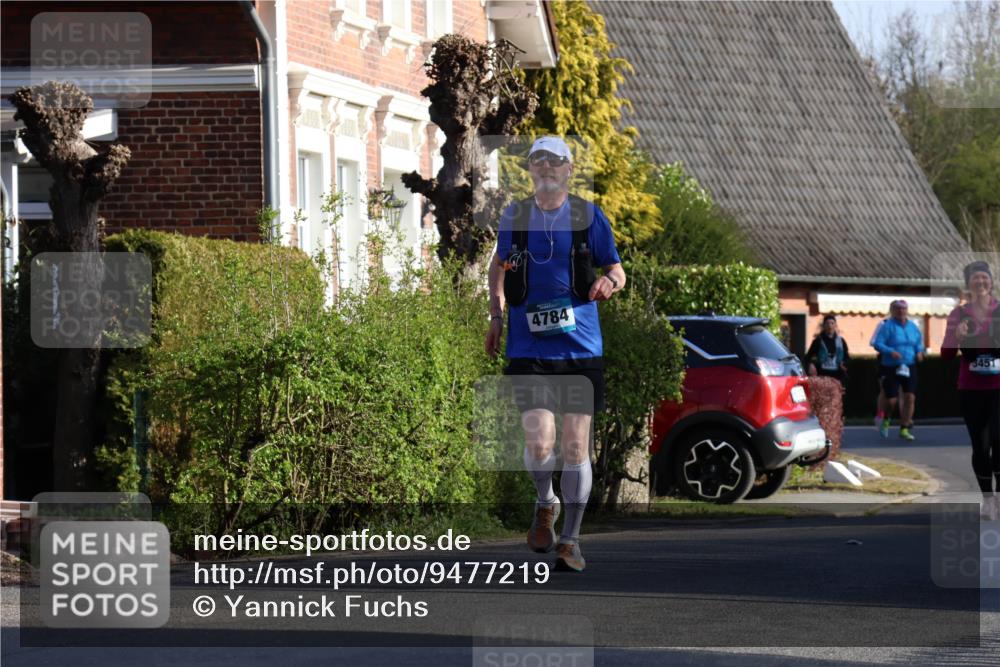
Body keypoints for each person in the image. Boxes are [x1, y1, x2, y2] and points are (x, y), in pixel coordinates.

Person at [485, 136, 625, 572]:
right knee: (540, 441)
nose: (546, 168)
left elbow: (616, 269)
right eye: (538, 161)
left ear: (569, 169)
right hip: (528, 348)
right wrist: (495, 315)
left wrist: (609, 283)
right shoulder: (515, 216)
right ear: (530, 169)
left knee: (575, 444)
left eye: (555, 161)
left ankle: (571, 539)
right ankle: (546, 501)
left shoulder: (589, 216)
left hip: (581, 348)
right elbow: (498, 264)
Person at [942, 261, 1000, 519]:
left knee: (999, 440)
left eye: (984, 277)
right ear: (969, 284)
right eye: (975, 278)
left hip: (999, 387)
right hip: (972, 388)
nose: (980, 282)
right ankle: (988, 499)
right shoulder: (958, 314)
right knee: (981, 446)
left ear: (991, 281)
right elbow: (946, 355)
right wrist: (956, 336)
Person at [872, 299, 925, 441]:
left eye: (903, 308)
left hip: (909, 365)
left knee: (910, 397)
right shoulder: (887, 326)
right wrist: (891, 351)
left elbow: (918, 342)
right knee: (891, 400)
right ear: (893, 311)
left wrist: (919, 352)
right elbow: (877, 343)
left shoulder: (913, 326)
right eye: (898, 309)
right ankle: (886, 419)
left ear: (907, 310)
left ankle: (904, 428)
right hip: (891, 366)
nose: (901, 311)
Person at [806, 315, 850, 388]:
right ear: (824, 326)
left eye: (832, 323)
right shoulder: (818, 341)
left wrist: (844, 364)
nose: (830, 326)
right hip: (822, 374)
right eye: (827, 323)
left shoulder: (841, 341)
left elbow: (847, 357)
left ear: (835, 325)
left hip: (838, 375)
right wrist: (811, 365)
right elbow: (808, 357)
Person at [870, 314, 889, 429]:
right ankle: (880, 414)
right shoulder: (883, 324)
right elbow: (873, 342)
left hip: (901, 360)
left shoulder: (906, 325)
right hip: (885, 360)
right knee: (884, 389)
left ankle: (905, 420)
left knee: (904, 391)